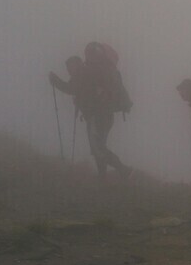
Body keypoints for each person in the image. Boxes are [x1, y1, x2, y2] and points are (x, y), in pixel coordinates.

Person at [49, 48, 132, 180]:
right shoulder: (87, 73)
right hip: (104, 115)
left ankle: (123, 170)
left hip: (97, 116)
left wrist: (55, 81)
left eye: (70, 67)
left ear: (76, 64)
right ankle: (104, 177)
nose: (69, 70)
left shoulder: (82, 73)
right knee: (99, 148)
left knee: (97, 148)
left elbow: (70, 89)